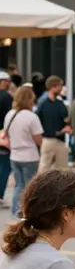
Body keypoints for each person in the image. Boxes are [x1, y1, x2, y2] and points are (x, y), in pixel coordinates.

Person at [3, 86, 43, 217]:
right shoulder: (32, 117)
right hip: (30, 155)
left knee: (18, 185)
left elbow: (6, 134)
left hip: (14, 154)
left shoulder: (10, 114)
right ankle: (27, 212)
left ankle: (16, 211)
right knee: (30, 187)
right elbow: (38, 139)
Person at [37, 76, 72, 170]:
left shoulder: (59, 103)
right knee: (44, 170)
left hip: (60, 141)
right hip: (48, 139)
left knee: (62, 170)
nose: (62, 88)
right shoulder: (43, 103)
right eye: (60, 86)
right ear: (54, 86)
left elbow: (66, 120)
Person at [0, 71, 13, 208]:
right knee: (4, 166)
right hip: (3, 136)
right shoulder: (7, 97)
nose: (8, 83)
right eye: (6, 81)